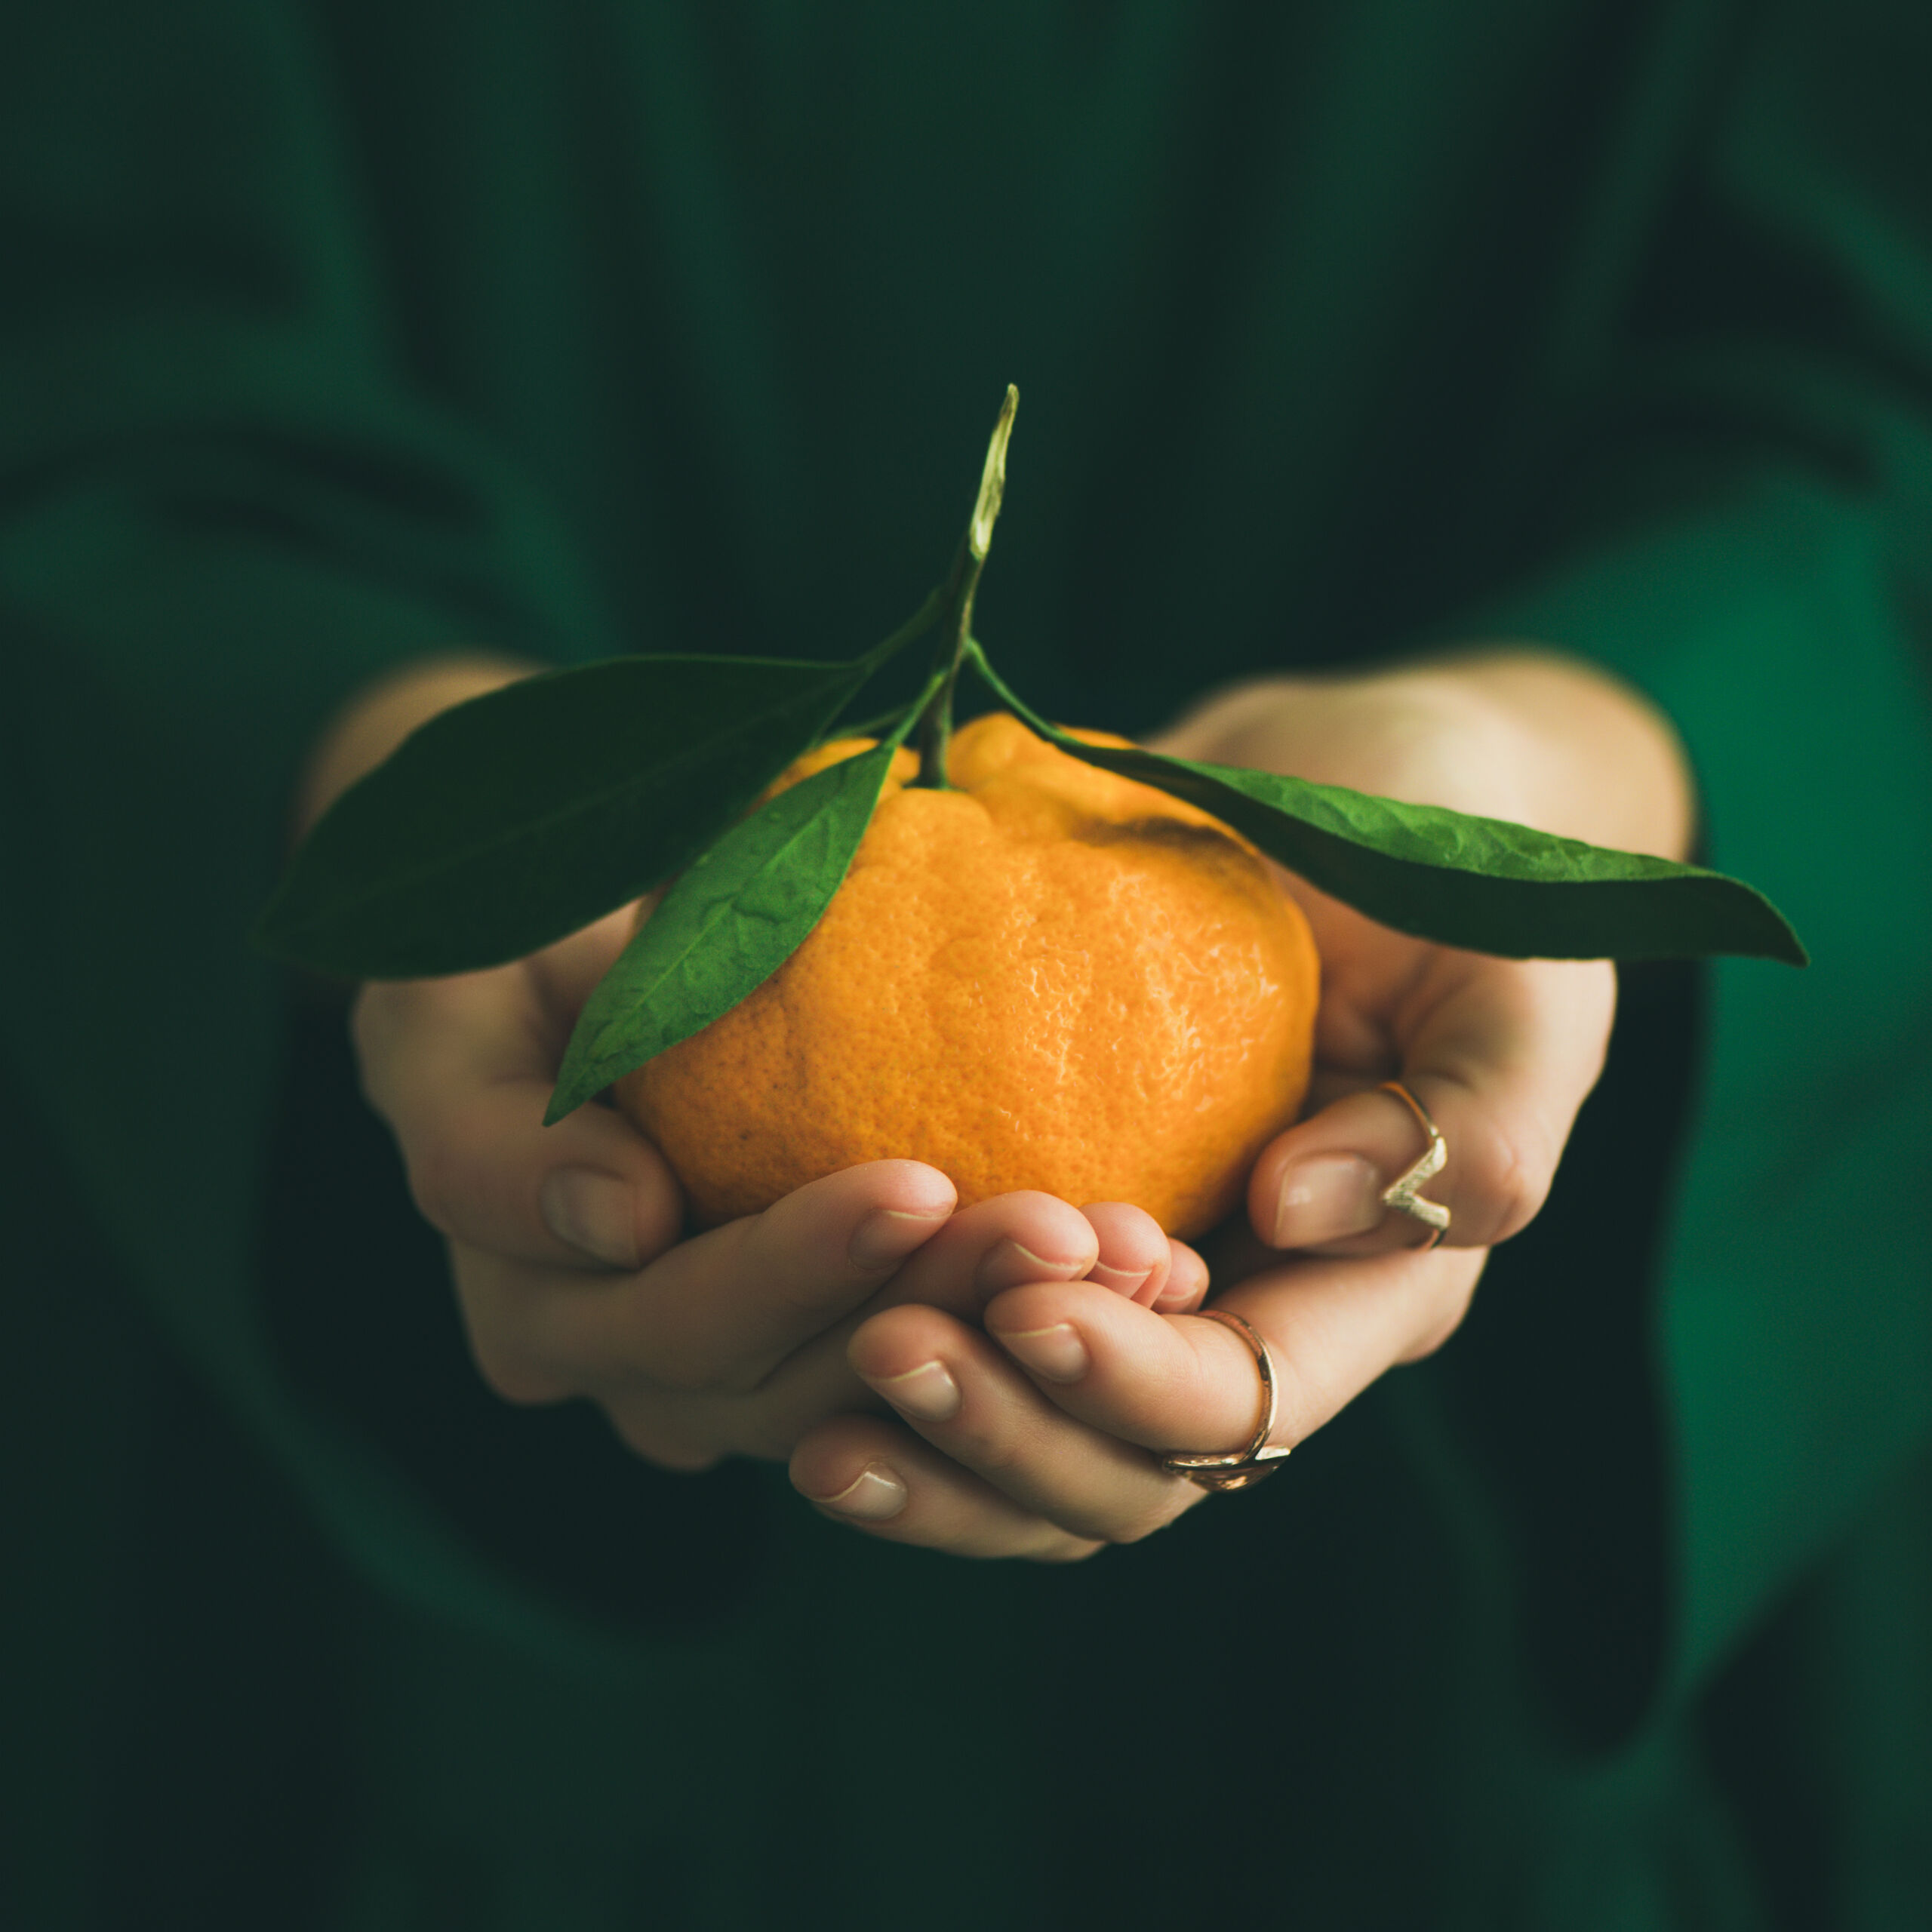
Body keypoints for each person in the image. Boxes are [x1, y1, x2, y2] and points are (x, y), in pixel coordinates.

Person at [5, 2, 1928, 1926]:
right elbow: (80, 334)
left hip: (1454, 1707)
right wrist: (389, 791)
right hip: (385, 1715)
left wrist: (1582, 749)